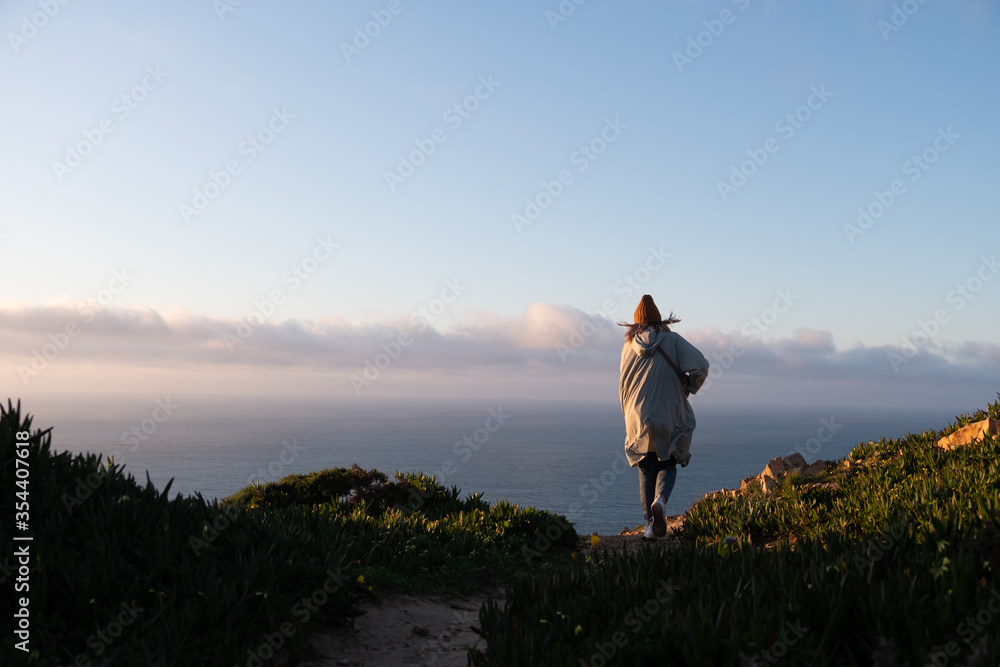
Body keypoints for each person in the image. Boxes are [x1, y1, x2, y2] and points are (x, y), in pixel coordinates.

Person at [619, 294, 709, 540]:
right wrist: (689, 386)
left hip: (637, 415)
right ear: (660, 319)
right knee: (668, 461)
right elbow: (701, 365)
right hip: (669, 412)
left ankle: (649, 525)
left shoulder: (628, 347)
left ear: (635, 323)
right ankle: (660, 500)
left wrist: (630, 416)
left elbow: (624, 387)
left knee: (646, 467)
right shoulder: (674, 341)